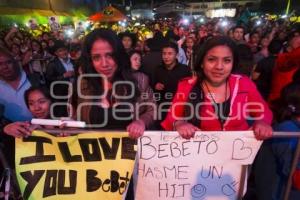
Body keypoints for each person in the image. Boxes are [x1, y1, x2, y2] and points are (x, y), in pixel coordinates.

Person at [161, 36, 273, 140]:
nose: (219, 67)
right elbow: (171, 118)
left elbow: (263, 111)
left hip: (238, 154)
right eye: (211, 59)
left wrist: (262, 122)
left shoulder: (243, 83)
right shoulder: (187, 86)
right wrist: (179, 124)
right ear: (201, 63)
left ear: (233, 63)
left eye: (227, 60)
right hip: (199, 155)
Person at [75, 28, 155, 139]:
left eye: (110, 55)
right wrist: (68, 125)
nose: (104, 64)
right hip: (94, 152)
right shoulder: (83, 84)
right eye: (96, 57)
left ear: (119, 55)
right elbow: (76, 116)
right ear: (90, 60)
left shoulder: (140, 81)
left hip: (130, 152)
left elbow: (152, 110)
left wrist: (141, 122)